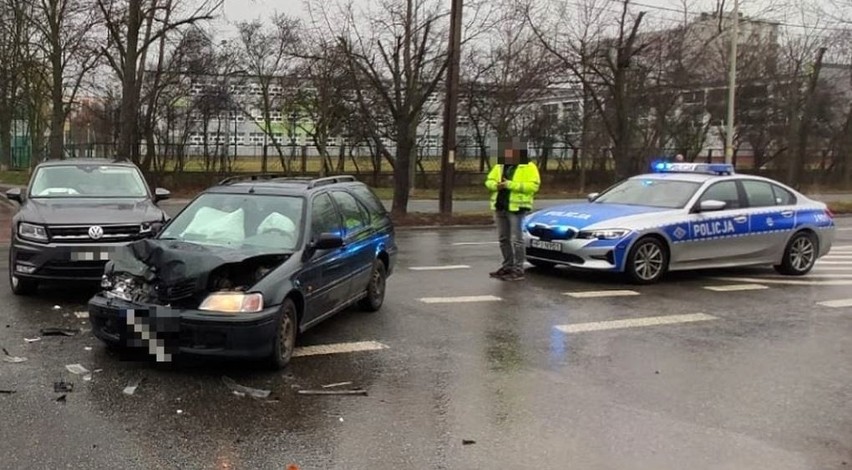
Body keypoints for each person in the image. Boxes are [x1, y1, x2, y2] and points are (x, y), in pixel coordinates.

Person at [484, 141, 541, 281]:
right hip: (500, 206)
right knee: (503, 239)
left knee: (517, 240)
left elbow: (533, 186)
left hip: (517, 208)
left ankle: (518, 269)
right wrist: (495, 185)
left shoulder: (528, 167)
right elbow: (489, 181)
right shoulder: (500, 165)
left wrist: (510, 185)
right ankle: (507, 266)